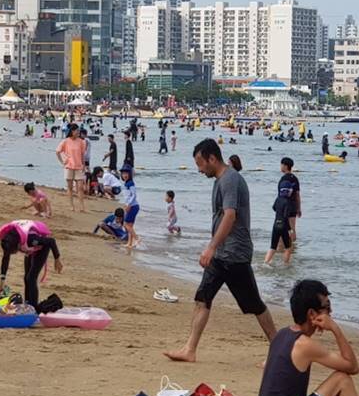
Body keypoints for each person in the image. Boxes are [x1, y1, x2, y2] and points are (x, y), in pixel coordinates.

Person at [166, 139, 277, 362]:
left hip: (234, 254)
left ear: (212, 158)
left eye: (200, 164)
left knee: (254, 304)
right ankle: (189, 350)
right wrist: (214, 249)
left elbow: (230, 215)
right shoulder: (220, 180)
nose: (199, 170)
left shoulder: (230, 179)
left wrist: (211, 247)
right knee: (202, 298)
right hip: (221, 255)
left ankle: (278, 351)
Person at [257, 279, 359, 396]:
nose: (330, 313)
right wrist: (335, 329)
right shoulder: (305, 345)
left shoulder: (282, 334)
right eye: (327, 308)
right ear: (311, 314)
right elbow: (353, 367)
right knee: (342, 379)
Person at [0, 219, 61, 309]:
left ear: (18, 244)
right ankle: (27, 304)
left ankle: (33, 307)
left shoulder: (31, 239)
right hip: (29, 248)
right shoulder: (8, 241)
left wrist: (57, 259)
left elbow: (51, 241)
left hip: (42, 247)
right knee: (26, 277)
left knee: (31, 278)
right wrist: (1, 283)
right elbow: (5, 260)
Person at [265, 157, 301, 266]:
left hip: (281, 209)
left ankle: (282, 254)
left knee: (282, 234)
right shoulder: (295, 178)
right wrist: (299, 208)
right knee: (291, 231)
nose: (280, 167)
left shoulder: (283, 180)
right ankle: (288, 256)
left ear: (285, 166)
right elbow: (297, 195)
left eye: (281, 165)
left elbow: (277, 201)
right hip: (292, 208)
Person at [120, 167, 141, 249]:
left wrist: (128, 204)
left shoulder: (130, 183)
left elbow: (134, 195)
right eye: (123, 174)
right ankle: (129, 243)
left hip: (133, 206)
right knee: (130, 226)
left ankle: (137, 238)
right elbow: (127, 196)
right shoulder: (126, 183)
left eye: (126, 174)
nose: (124, 175)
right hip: (131, 206)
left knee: (126, 224)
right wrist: (126, 204)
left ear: (130, 174)